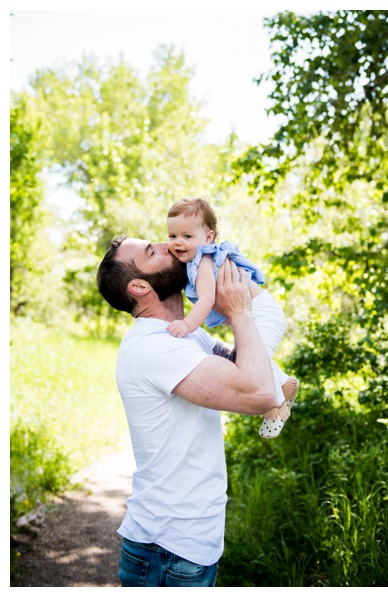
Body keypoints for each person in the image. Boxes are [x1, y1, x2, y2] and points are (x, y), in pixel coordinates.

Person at [96, 234, 285, 586]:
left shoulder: (185, 337)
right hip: (168, 548)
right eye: (153, 251)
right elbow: (259, 392)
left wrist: (233, 285)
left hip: (184, 544)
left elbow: (254, 365)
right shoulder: (154, 347)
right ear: (139, 287)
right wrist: (239, 312)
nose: (170, 246)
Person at [165, 196, 298, 439]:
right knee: (248, 357)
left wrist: (186, 324)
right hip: (257, 312)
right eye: (172, 236)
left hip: (261, 313)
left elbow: (205, 300)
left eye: (186, 236)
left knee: (252, 363)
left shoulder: (204, 261)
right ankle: (285, 385)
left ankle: (276, 405)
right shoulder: (194, 261)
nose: (178, 243)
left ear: (208, 238)